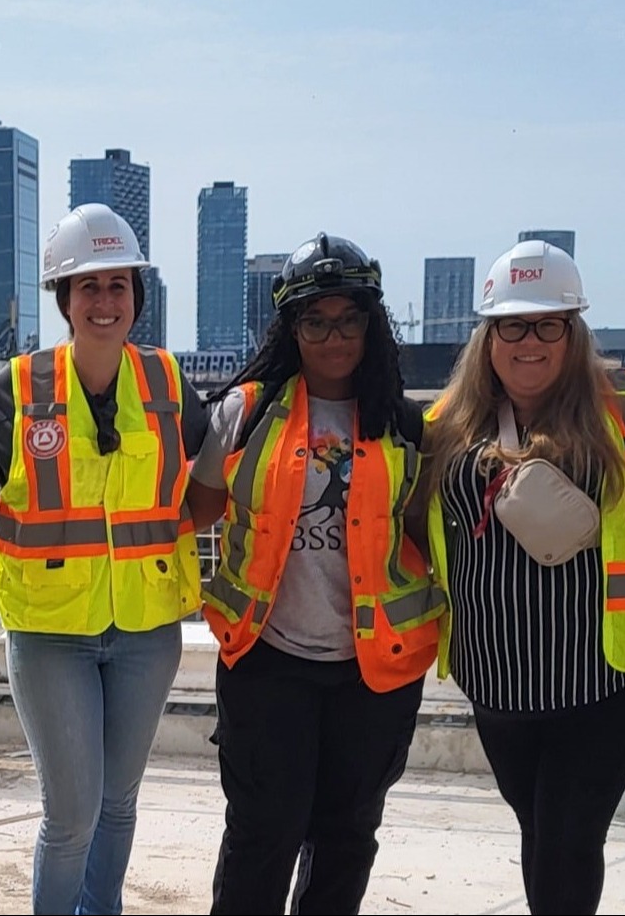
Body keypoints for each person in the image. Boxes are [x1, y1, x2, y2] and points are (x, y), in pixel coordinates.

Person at [416, 240, 625, 916]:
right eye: (512, 324)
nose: (529, 341)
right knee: (538, 830)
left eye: (549, 324)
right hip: (498, 676)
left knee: (569, 840)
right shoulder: (444, 426)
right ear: (488, 335)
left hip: (601, 674)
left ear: (574, 331)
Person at [187, 233, 444, 915]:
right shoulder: (244, 414)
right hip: (268, 660)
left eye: (349, 318)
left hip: (375, 671)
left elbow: (423, 533)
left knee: (347, 837)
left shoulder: (406, 427)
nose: (335, 336)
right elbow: (197, 510)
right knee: (261, 834)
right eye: (316, 321)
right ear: (290, 327)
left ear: (371, 321)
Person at [0, 203, 209, 916]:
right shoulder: (20, 387)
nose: (105, 301)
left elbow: (218, 476)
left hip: (145, 628)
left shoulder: (167, 384)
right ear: (64, 299)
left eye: (118, 286)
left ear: (136, 295)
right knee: (71, 814)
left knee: (119, 802)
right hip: (50, 632)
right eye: (88, 287)